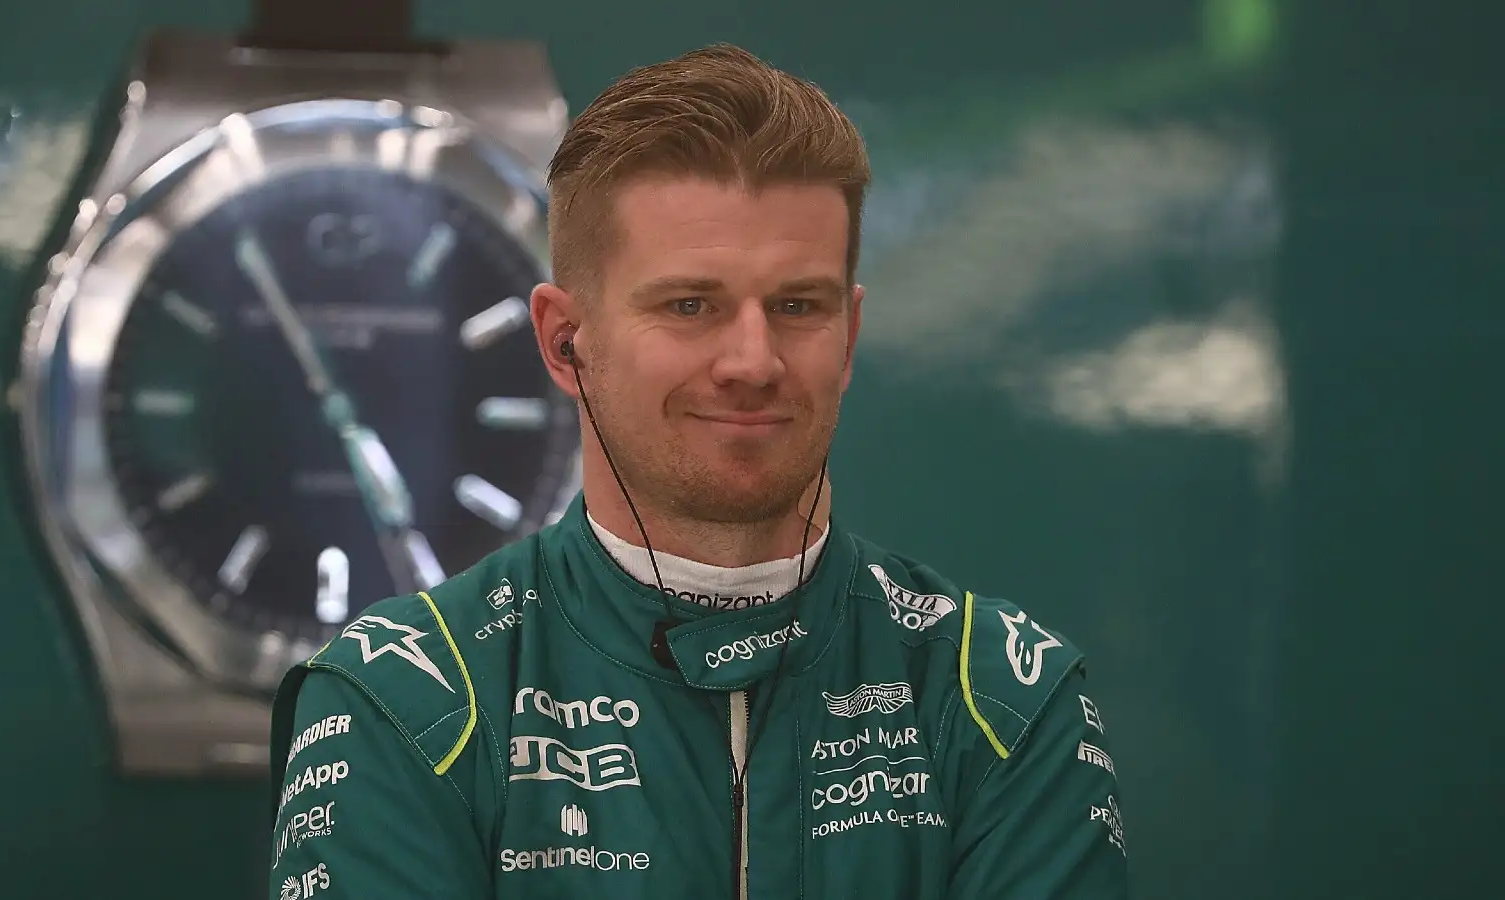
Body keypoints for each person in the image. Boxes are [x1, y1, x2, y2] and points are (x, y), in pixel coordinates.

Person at [267, 43, 1132, 900]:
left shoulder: (1000, 697)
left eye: (797, 306)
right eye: (691, 305)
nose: (752, 361)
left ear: (850, 337)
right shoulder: (405, 703)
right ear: (565, 343)